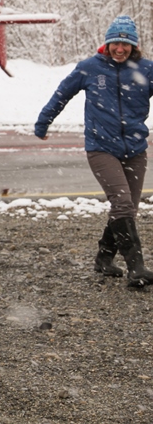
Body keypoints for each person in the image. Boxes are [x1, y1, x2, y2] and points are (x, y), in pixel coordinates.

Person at [35, 15, 153, 287]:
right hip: (101, 147)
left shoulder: (146, 69)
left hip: (135, 148)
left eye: (126, 45)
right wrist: (43, 122)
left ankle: (104, 258)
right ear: (107, 43)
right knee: (123, 203)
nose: (120, 49)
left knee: (127, 208)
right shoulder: (91, 68)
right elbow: (61, 95)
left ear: (134, 46)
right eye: (115, 43)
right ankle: (136, 267)